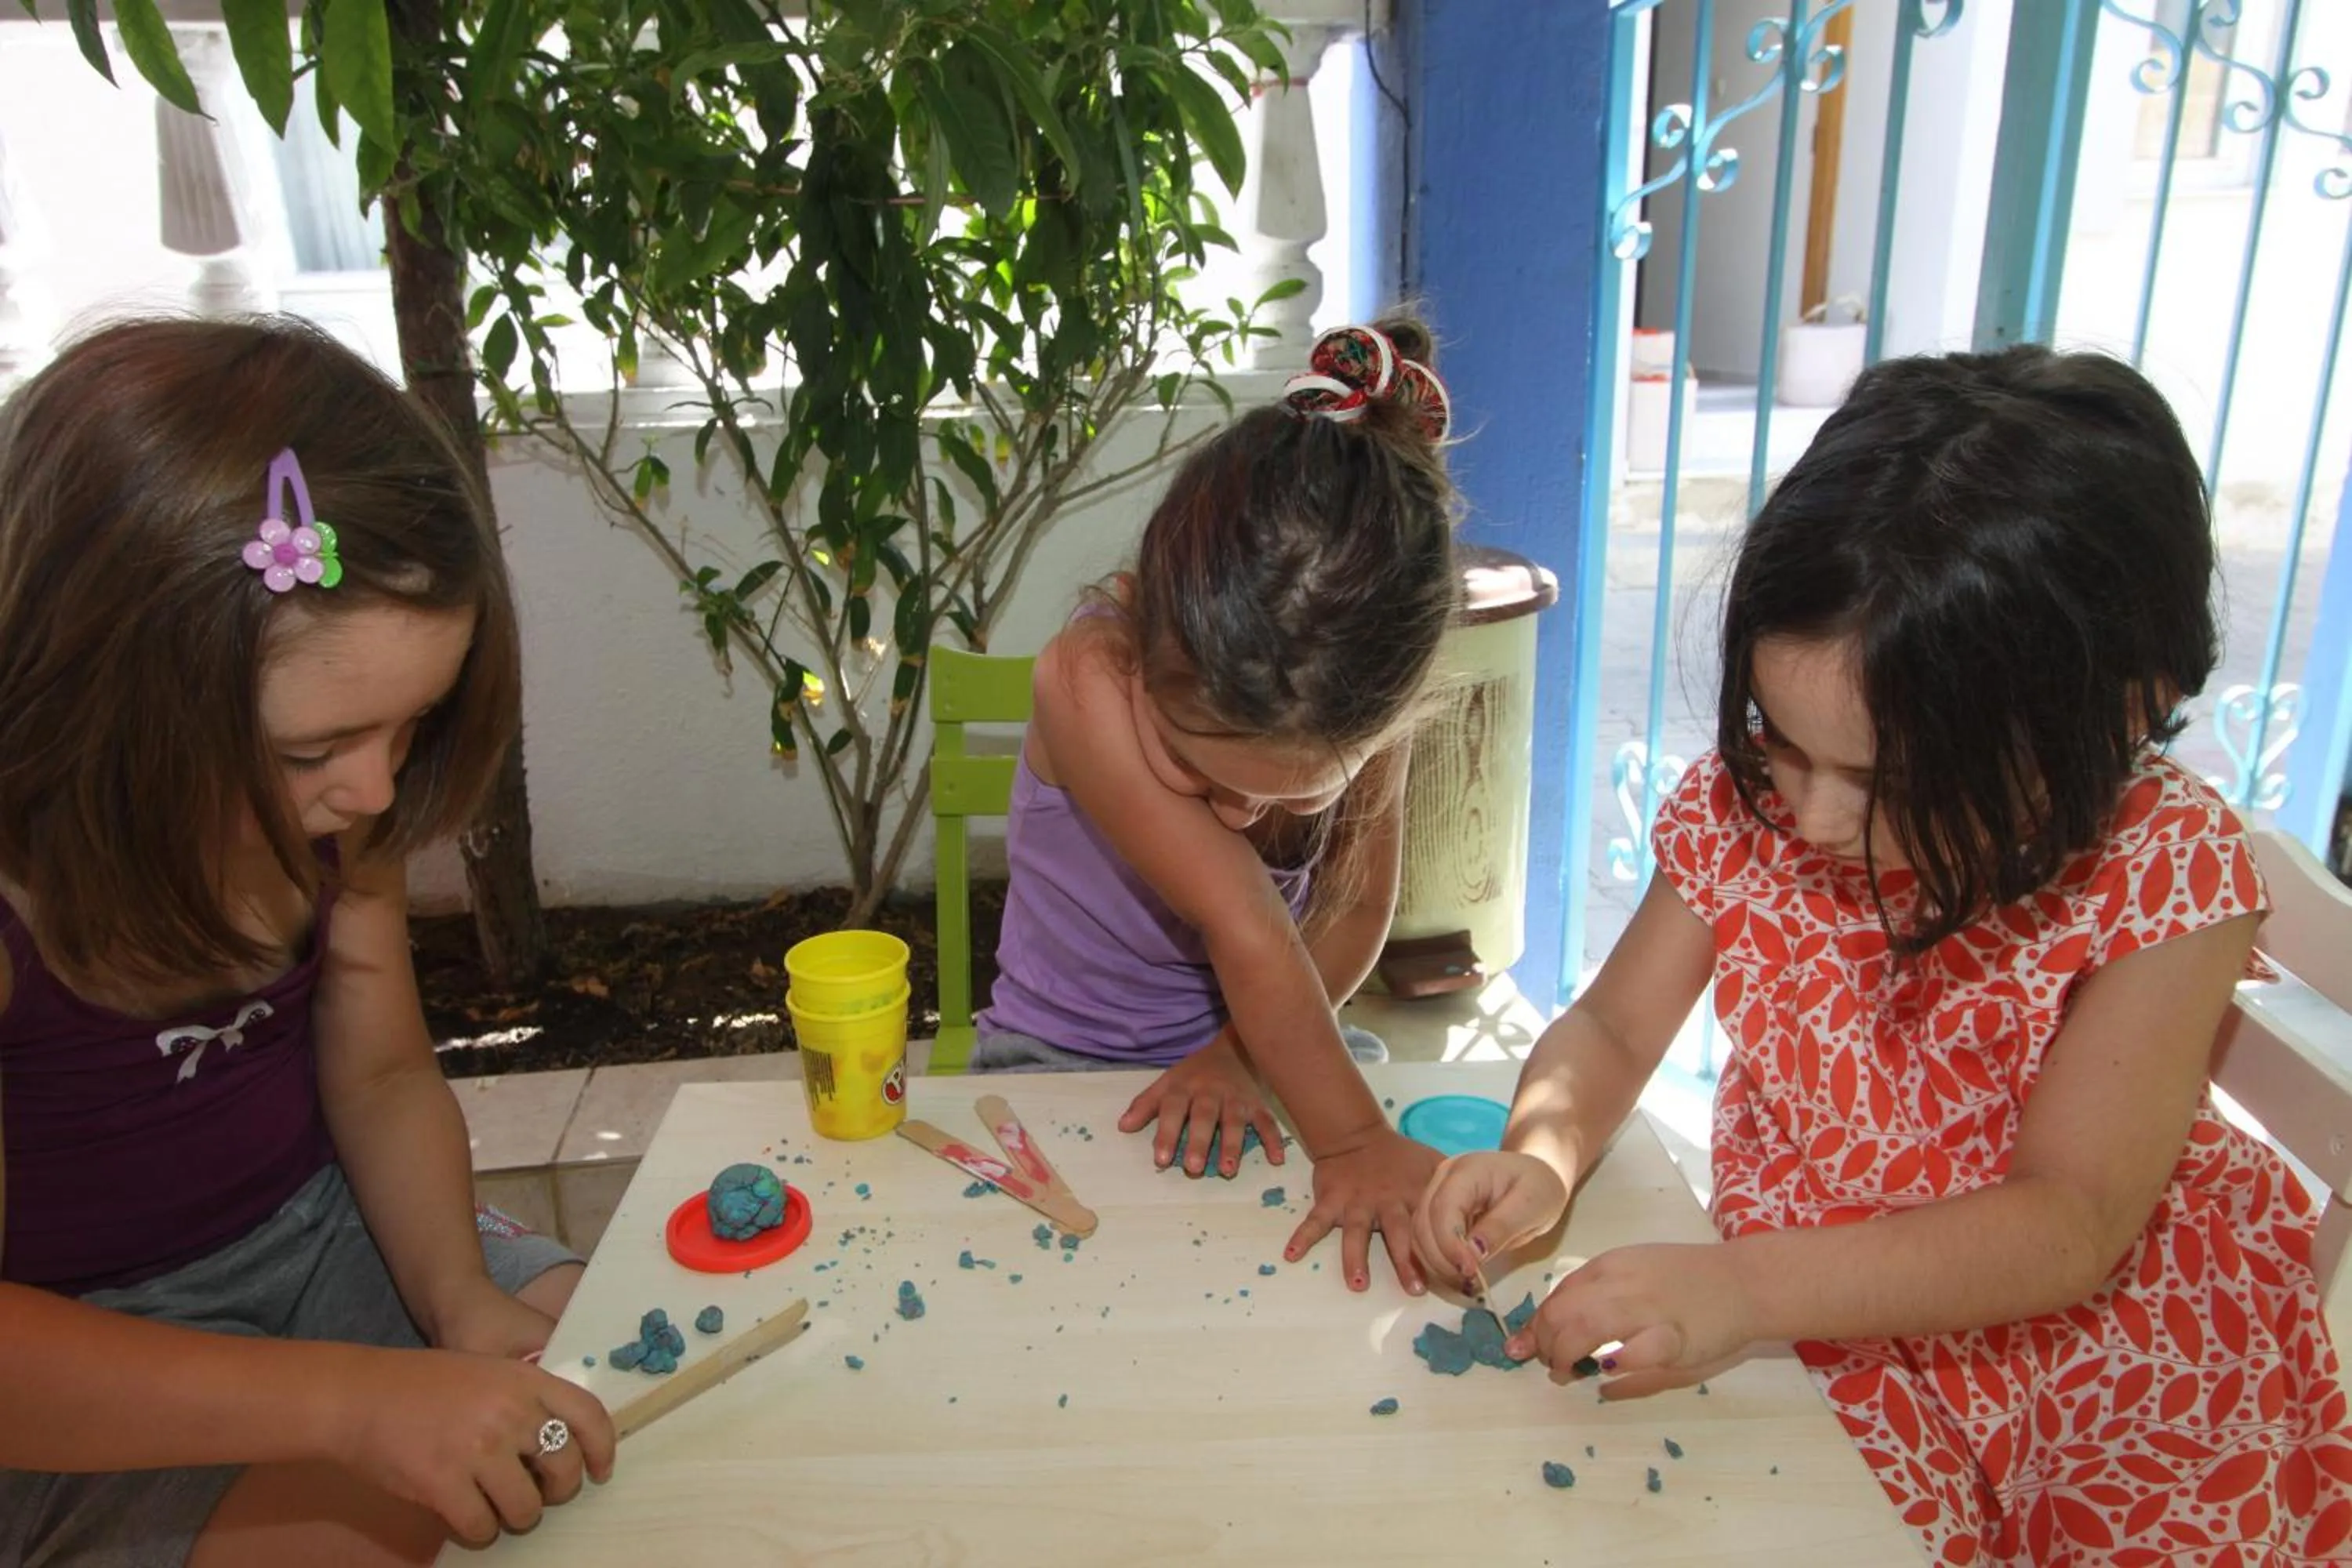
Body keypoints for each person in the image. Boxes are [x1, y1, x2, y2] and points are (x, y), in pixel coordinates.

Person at [1415, 346, 2352, 1563]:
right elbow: (1611, 1028)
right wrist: (1544, 1151)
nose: (1806, 818)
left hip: (2104, 1355)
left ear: (2112, 712)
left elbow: (2069, 1222)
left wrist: (1746, 1291)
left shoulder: (2163, 867)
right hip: (1826, 1317)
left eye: (1884, 778)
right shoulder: (1757, 805)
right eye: (1779, 741)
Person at [0, 317, 616, 1567]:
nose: (378, 794)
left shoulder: (338, 821)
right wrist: (355, 1406)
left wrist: (458, 1306)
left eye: (410, 729)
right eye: (314, 751)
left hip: (333, 1227)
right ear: (99, 695)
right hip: (83, 1352)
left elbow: (383, 1075)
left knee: (605, 1381)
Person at [975, 319, 1457, 1293]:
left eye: (1288, 792)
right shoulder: (1089, 677)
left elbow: (1355, 914)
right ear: (1150, 638)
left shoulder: (1365, 706)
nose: (1238, 816)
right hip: (1065, 1057)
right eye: (1200, 773)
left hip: (1275, 1041)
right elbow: (1250, 926)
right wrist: (1352, 1136)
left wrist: (1241, 1052)